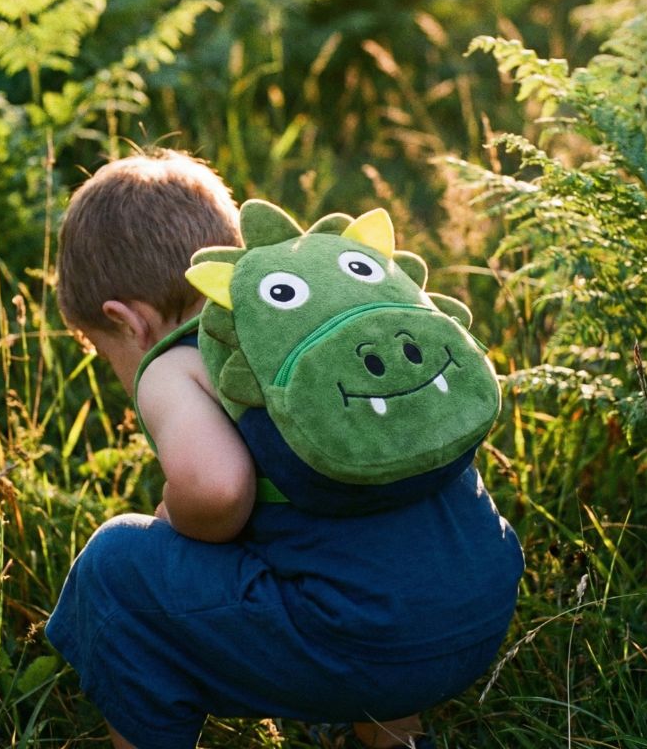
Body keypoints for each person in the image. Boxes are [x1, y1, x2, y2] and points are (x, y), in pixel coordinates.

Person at [46, 147, 525, 749]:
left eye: (100, 349)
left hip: (366, 646)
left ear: (129, 322)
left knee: (114, 569)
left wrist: (174, 521)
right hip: (483, 606)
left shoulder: (173, 364)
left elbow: (217, 490)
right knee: (349, 531)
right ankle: (394, 739)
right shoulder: (311, 315)